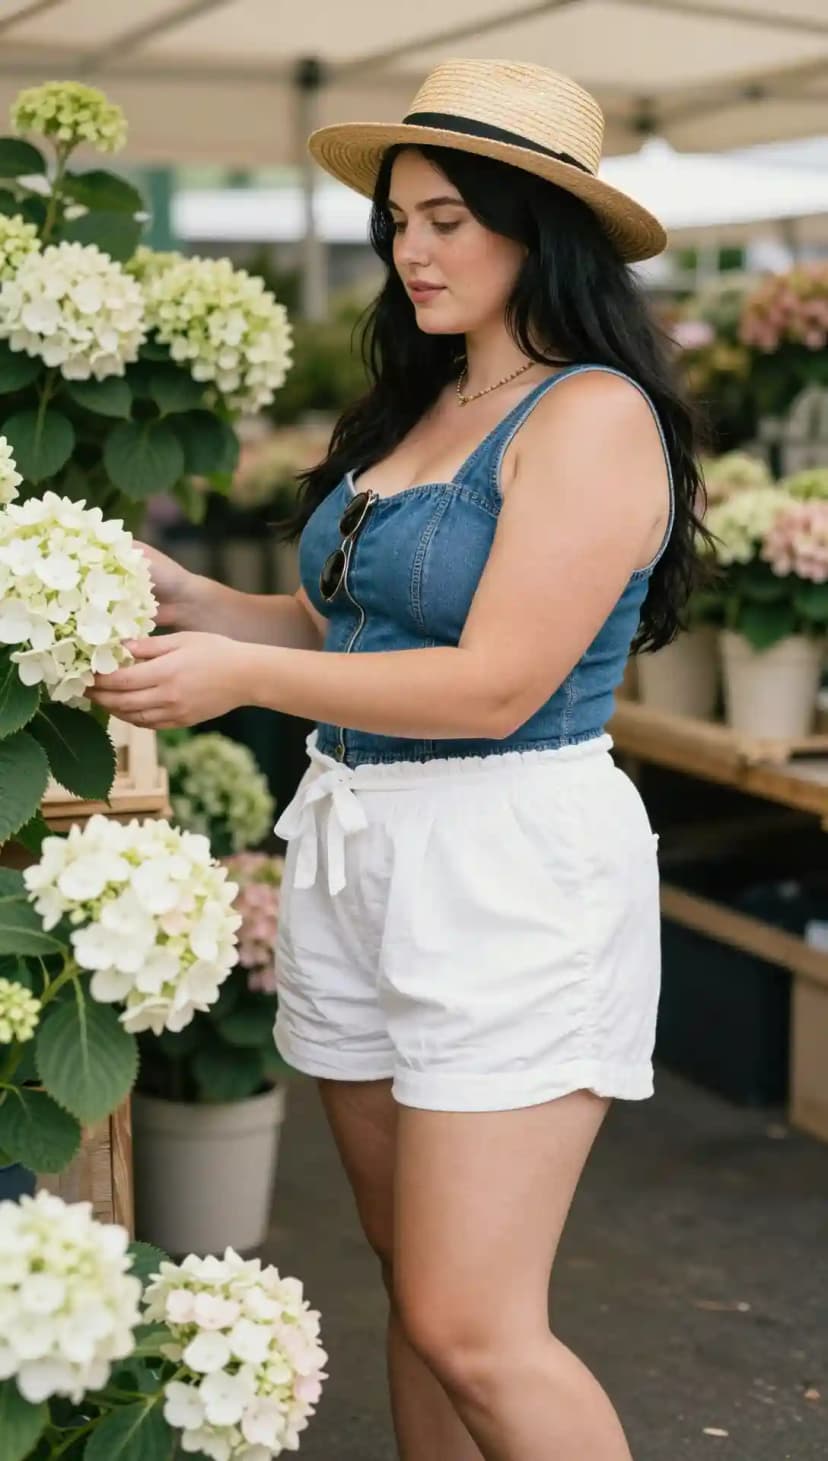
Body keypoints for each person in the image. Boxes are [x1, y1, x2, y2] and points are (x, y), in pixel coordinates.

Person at [90, 58, 708, 1461]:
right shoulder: (427, 403)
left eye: (444, 218)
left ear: (536, 226)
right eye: (398, 220)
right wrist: (194, 597)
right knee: (415, 1289)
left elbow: (494, 683)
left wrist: (244, 675)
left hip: (510, 864)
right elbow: (348, 624)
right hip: (365, 844)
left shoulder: (595, 414)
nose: (407, 249)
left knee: (475, 1322)